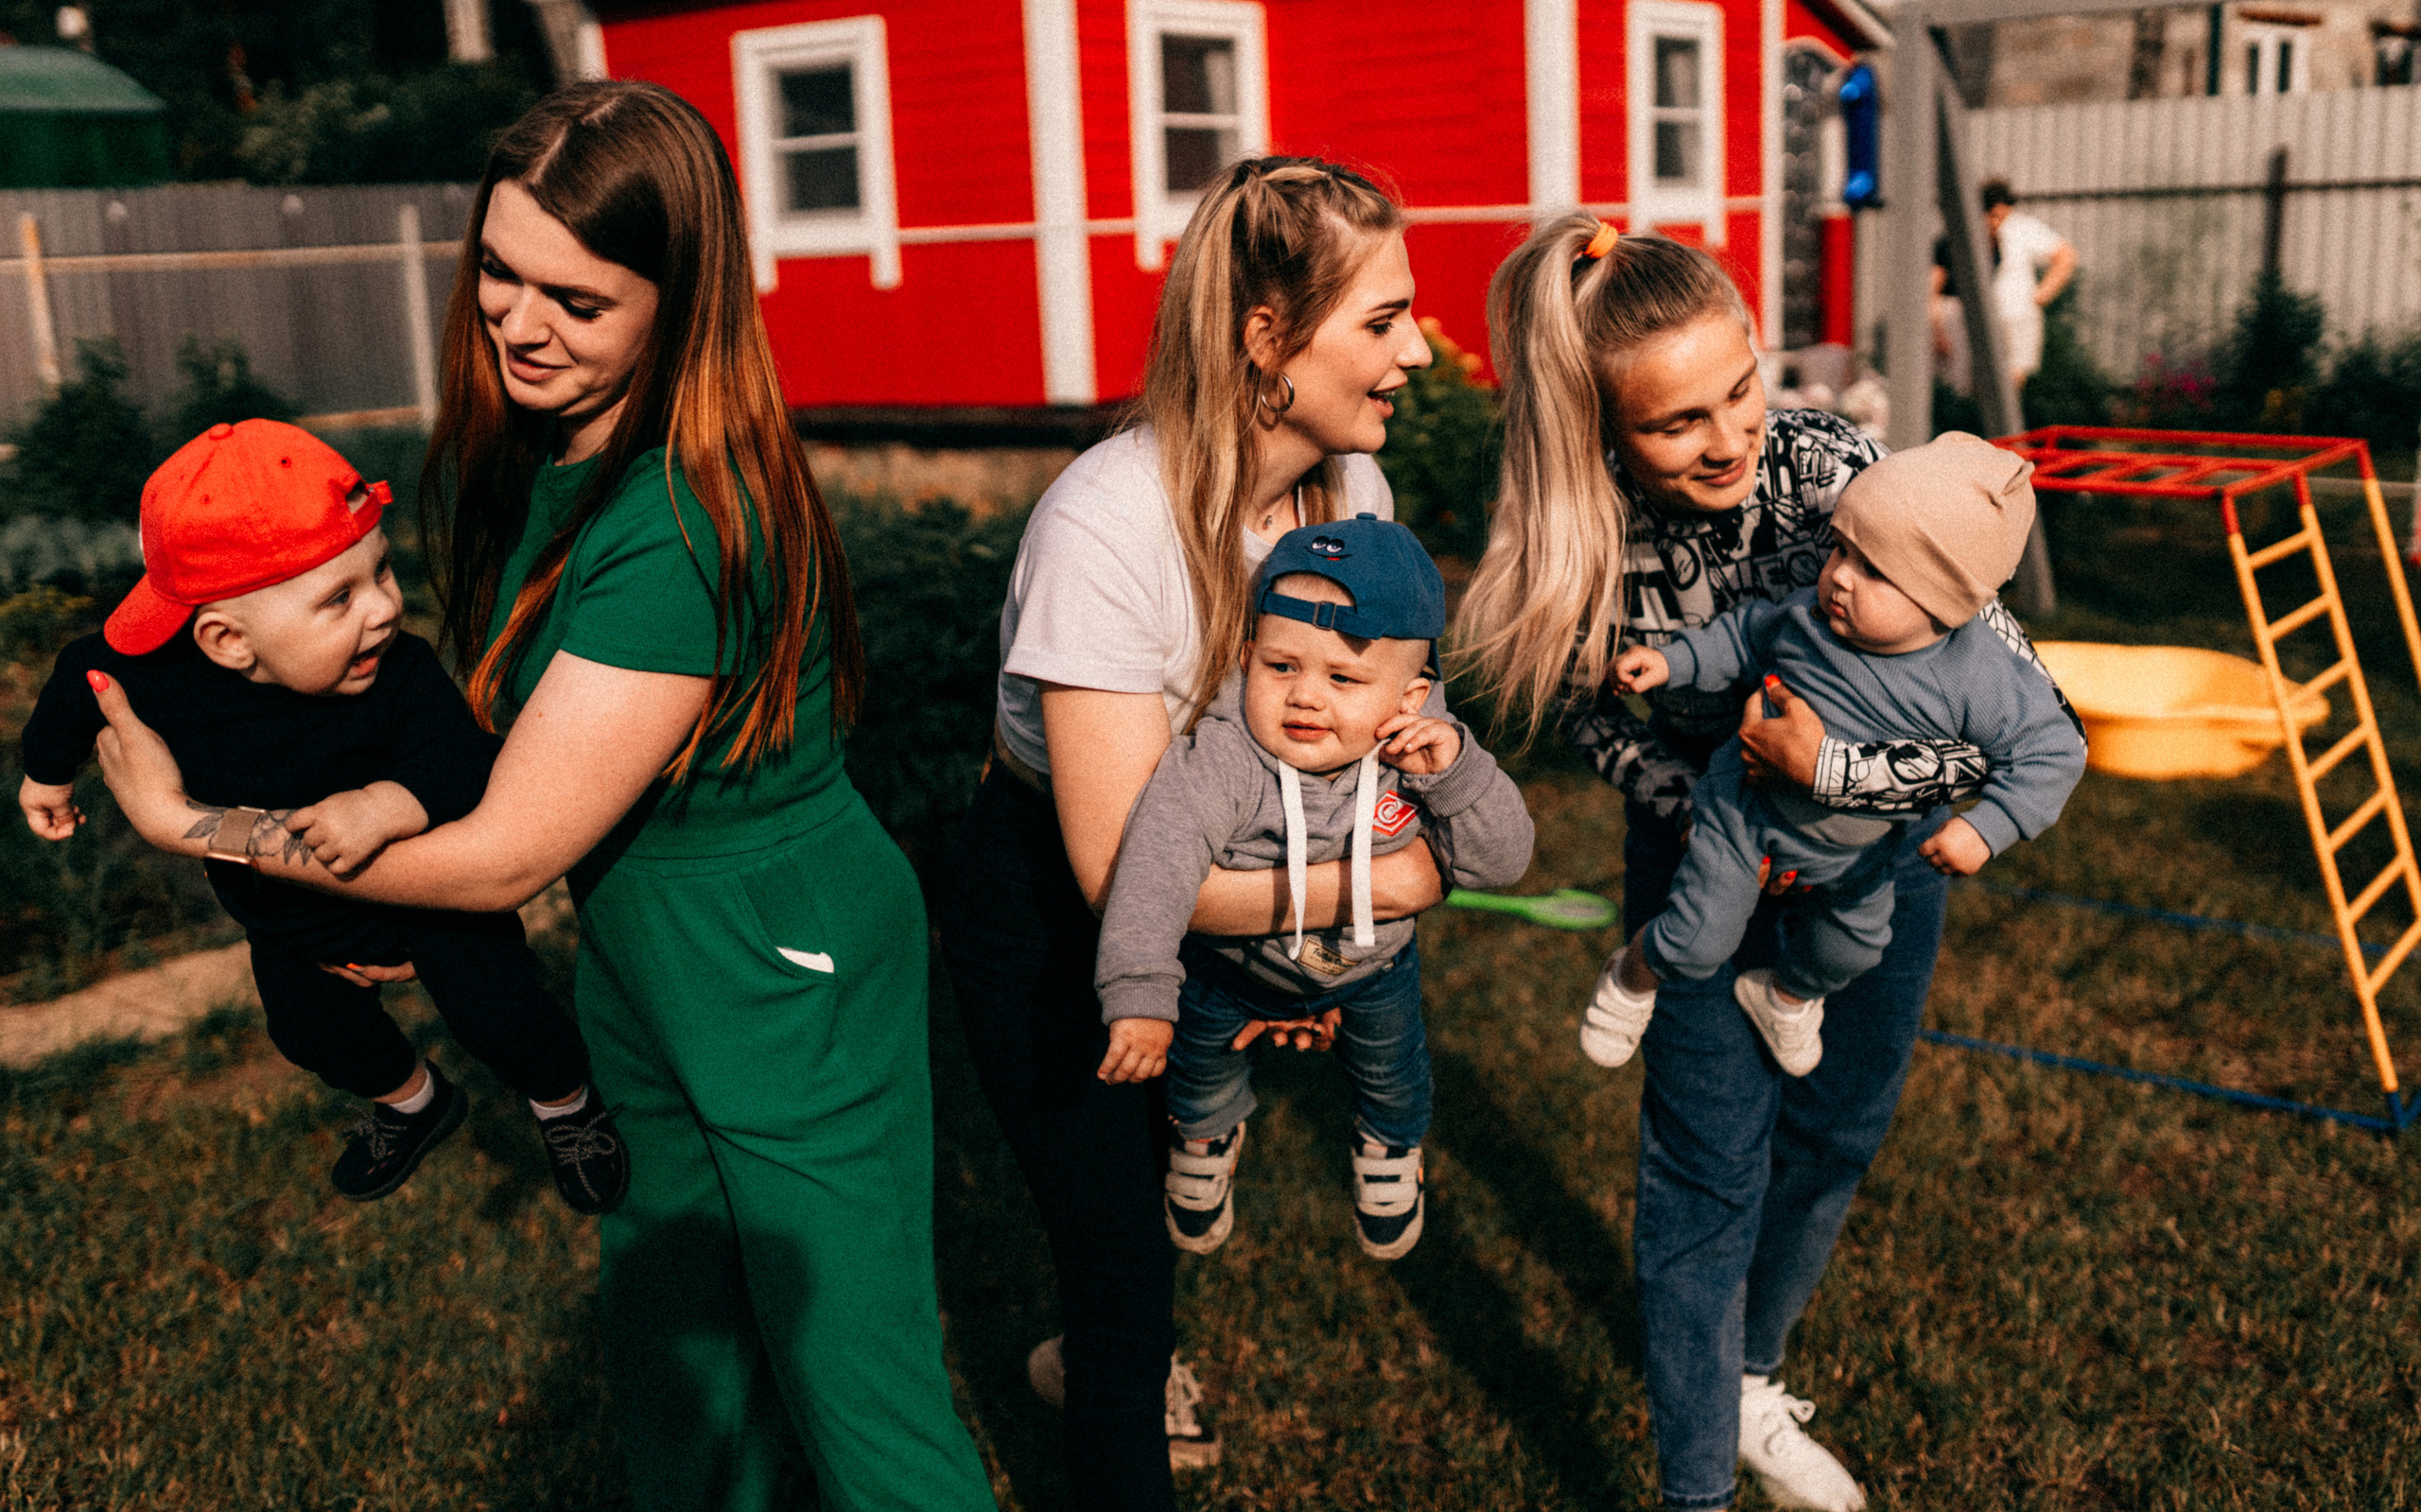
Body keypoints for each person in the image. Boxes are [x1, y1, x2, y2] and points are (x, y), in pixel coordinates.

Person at [82, 81, 995, 1512]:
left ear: (679, 308)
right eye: (500, 271)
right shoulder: (562, 454)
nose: (517, 321)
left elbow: (503, 854)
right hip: (643, 934)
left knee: (855, 1386)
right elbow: (499, 761)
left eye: (576, 298)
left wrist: (188, 824)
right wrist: (372, 863)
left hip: (780, 958)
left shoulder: (680, 522)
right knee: (682, 1358)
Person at [1458, 217, 2079, 1512]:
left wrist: (1833, 779)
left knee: (1837, 1128)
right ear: (1604, 429)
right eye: (1676, 421)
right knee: (1704, 1168)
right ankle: (1696, 1488)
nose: (1728, 436)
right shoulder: (1579, 529)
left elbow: (2014, 710)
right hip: (1707, 861)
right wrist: (1709, 813)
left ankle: (1747, 1376)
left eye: (1740, 388)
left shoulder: (1839, 470)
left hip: (1878, 865)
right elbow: (1591, 717)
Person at [939, 155, 1440, 1509]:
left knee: (1155, 1197)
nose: (1416, 350)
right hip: (1054, 907)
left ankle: (1115, 1340)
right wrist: (1370, 887)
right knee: (1119, 1261)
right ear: (1268, 338)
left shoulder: (1353, 498)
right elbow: (1122, 874)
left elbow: (1354, 727)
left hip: (1232, 866)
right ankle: (1121, 1363)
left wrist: (1305, 962)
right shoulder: (1104, 526)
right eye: (1383, 319)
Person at [16, 419, 623, 1212]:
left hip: (428, 895)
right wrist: (46, 772)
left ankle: (567, 1105)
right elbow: (79, 679)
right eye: (340, 598)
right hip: (291, 915)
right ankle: (414, 1100)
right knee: (310, 1031)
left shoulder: (399, 673)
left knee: (502, 1014)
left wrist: (389, 803)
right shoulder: (161, 678)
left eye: (382, 571)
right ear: (227, 640)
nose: (384, 609)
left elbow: (464, 758)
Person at [1093, 514, 1534, 1261]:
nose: (1304, 696)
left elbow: (1503, 862)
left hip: (1373, 968)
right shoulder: (1224, 760)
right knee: (1198, 1072)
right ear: (1247, 657)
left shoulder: (1420, 754)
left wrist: (1457, 774)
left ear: (1411, 697)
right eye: (1281, 666)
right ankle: (1205, 1134)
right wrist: (1139, 993)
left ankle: (1390, 1145)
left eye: (1342, 678)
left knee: (1395, 1077)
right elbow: (1156, 867)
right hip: (1229, 967)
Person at [1587, 433, 2085, 1078]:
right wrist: (1672, 662)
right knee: (1700, 936)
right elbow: (1743, 636)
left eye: (1874, 570)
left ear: (1944, 598)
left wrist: (1986, 829)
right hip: (1745, 812)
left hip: (1858, 851)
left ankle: (1784, 997)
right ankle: (1633, 974)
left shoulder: (1977, 676)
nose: (1840, 575)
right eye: (1842, 550)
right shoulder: (1810, 619)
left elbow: (2052, 750)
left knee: (1852, 949)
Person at [1929, 178, 2077, 393]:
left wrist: (2041, 295)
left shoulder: (2022, 228)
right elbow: (1938, 280)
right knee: (1975, 380)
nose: (1998, 222)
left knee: (2014, 376)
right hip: (1983, 315)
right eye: (1993, 215)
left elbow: (2065, 256)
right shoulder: (1967, 235)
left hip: (2018, 313)